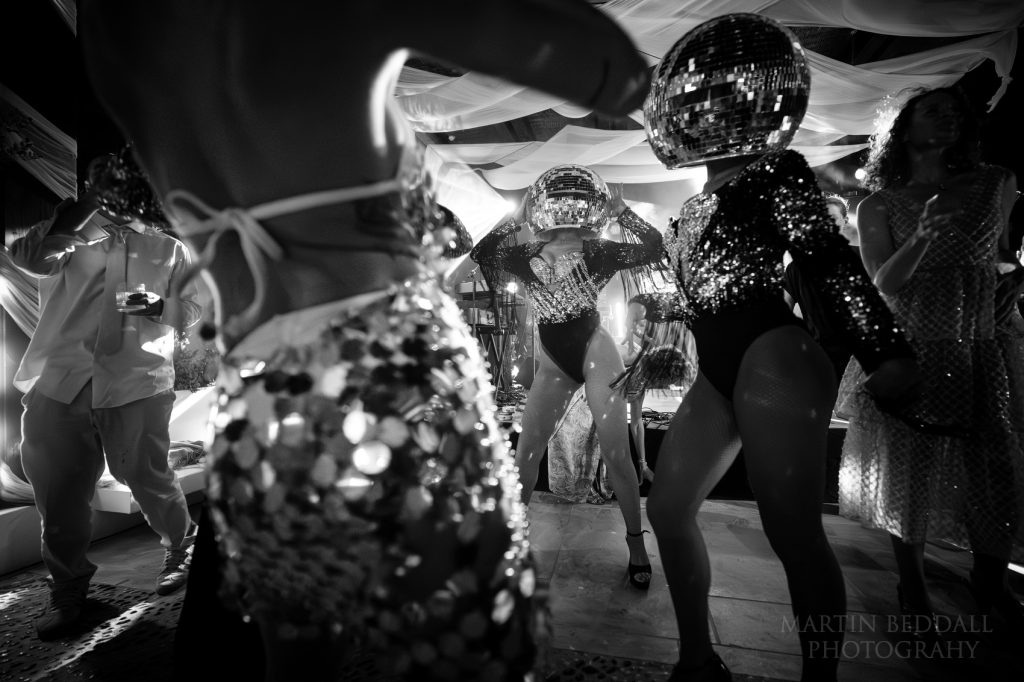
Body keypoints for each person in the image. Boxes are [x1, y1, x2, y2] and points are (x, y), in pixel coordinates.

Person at [79, 1, 651, 680]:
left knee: (299, 655)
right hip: (396, 364)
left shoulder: (122, 36)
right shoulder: (337, 16)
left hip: (270, 390)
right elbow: (614, 75)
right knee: (472, 648)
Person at [640, 14, 921, 681]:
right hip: (720, 364)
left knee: (793, 533)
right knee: (668, 508)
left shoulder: (777, 170)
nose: (704, 113)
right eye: (693, 103)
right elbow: (708, 291)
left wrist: (886, 349)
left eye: (718, 100)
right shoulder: (695, 202)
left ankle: (817, 678)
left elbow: (828, 260)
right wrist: (662, 309)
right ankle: (697, 660)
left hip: (775, 355)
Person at [836, 85, 1024, 636]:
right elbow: (882, 281)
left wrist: (1018, 278)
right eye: (933, 110)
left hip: (983, 340)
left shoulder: (996, 182)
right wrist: (921, 234)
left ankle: (990, 583)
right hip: (916, 343)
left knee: (995, 466)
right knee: (911, 469)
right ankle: (912, 585)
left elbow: (1005, 254)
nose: (949, 119)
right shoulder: (877, 203)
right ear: (904, 126)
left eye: (956, 113)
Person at [9, 164, 201, 641]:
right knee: (58, 494)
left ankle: (181, 546)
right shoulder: (68, 238)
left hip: (138, 382)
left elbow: (192, 311)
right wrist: (85, 207)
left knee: (148, 478)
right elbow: (25, 256)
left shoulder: (170, 249)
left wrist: (155, 306)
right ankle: (68, 586)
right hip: (60, 383)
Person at [471, 167, 663, 591]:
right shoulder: (523, 256)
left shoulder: (600, 251)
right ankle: (513, 545)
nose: (564, 206)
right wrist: (515, 217)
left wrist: (624, 212)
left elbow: (655, 248)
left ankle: (637, 545)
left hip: (597, 352)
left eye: (573, 198)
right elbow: (481, 253)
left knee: (617, 455)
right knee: (524, 456)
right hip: (554, 363)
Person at [782, 193, 862, 383]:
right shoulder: (796, 268)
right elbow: (782, 312)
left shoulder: (862, 259)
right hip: (819, 359)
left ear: (845, 220)